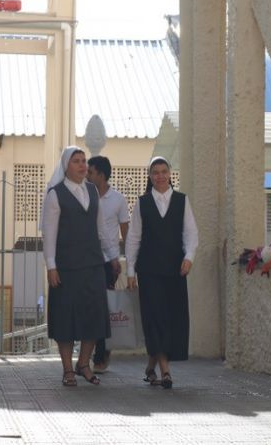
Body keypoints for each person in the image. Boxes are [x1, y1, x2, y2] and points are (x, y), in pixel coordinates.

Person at [41, 146, 116, 386]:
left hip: (93, 264)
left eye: (84, 161)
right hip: (66, 267)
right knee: (66, 318)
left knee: (94, 316)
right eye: (76, 161)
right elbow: (49, 234)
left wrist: (113, 256)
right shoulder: (55, 195)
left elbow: (101, 228)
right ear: (66, 166)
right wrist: (51, 266)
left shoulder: (92, 191)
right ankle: (67, 369)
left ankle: (83, 364)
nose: (83, 165)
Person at [125, 156, 198, 389]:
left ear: (170, 173)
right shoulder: (143, 203)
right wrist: (130, 270)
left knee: (172, 318)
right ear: (150, 176)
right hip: (149, 270)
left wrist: (189, 257)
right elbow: (133, 238)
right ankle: (165, 371)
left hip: (175, 270)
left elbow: (191, 233)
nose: (160, 176)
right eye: (155, 172)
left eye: (163, 171)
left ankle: (151, 365)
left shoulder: (182, 201)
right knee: (155, 317)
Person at [86, 156, 129, 374]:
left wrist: (126, 262)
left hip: (108, 263)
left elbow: (126, 232)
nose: (87, 175)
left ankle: (101, 354)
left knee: (104, 308)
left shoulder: (118, 200)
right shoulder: (84, 196)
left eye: (91, 172)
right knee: (89, 308)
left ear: (101, 175)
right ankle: (90, 351)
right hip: (86, 260)